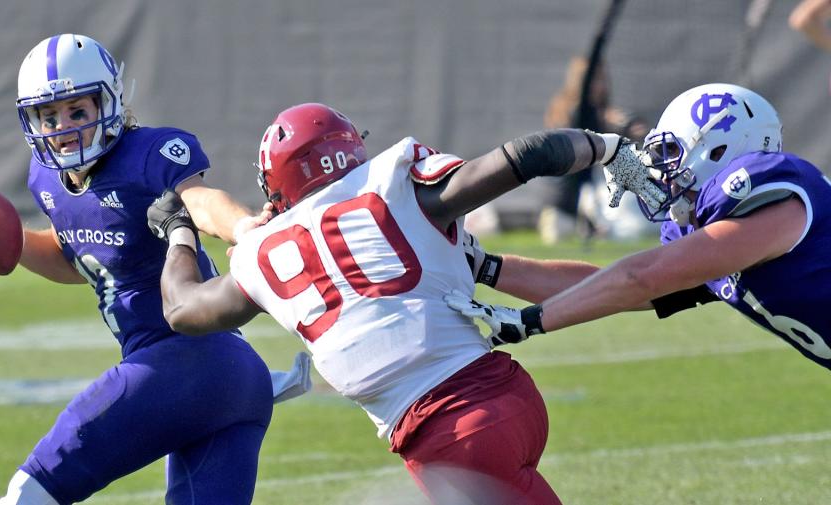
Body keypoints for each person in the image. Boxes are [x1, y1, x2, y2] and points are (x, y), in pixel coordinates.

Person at [148, 102, 664, 504]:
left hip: (451, 431)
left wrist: (177, 233)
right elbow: (528, 155)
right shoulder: (399, 191)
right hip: (501, 397)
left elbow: (183, 310)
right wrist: (605, 148)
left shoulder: (265, 250)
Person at [0, 34, 310, 504]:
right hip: (234, 384)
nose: (63, 128)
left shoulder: (147, 155)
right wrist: (0, 245)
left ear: (110, 102)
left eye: (77, 112)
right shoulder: (46, 179)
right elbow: (78, 258)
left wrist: (245, 227)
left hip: (185, 362)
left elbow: (198, 202)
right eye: (49, 116)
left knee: (28, 494)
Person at [449, 83, 831, 372]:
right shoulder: (705, 234)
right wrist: (484, 266)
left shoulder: (776, 200)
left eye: (671, 152)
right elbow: (608, 288)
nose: (660, 169)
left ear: (720, 152)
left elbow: (640, 278)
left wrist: (532, 321)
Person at [538, 56, 652, 244]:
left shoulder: (599, 112)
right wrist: (617, 124)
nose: (601, 86)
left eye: (603, 79)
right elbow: (597, 124)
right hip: (562, 203)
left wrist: (629, 126)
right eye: (595, 79)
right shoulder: (570, 111)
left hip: (588, 198)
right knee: (560, 239)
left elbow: (620, 125)